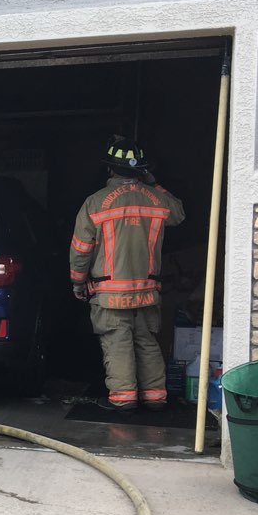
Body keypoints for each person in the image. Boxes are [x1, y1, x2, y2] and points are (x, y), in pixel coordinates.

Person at [69, 138, 185, 412]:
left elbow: (81, 249)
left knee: (117, 342)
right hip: (147, 291)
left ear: (110, 170)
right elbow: (178, 214)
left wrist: (77, 281)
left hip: (110, 294)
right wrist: (154, 183)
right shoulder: (157, 199)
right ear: (142, 170)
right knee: (146, 341)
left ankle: (123, 398)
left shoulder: (95, 203)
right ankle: (156, 397)